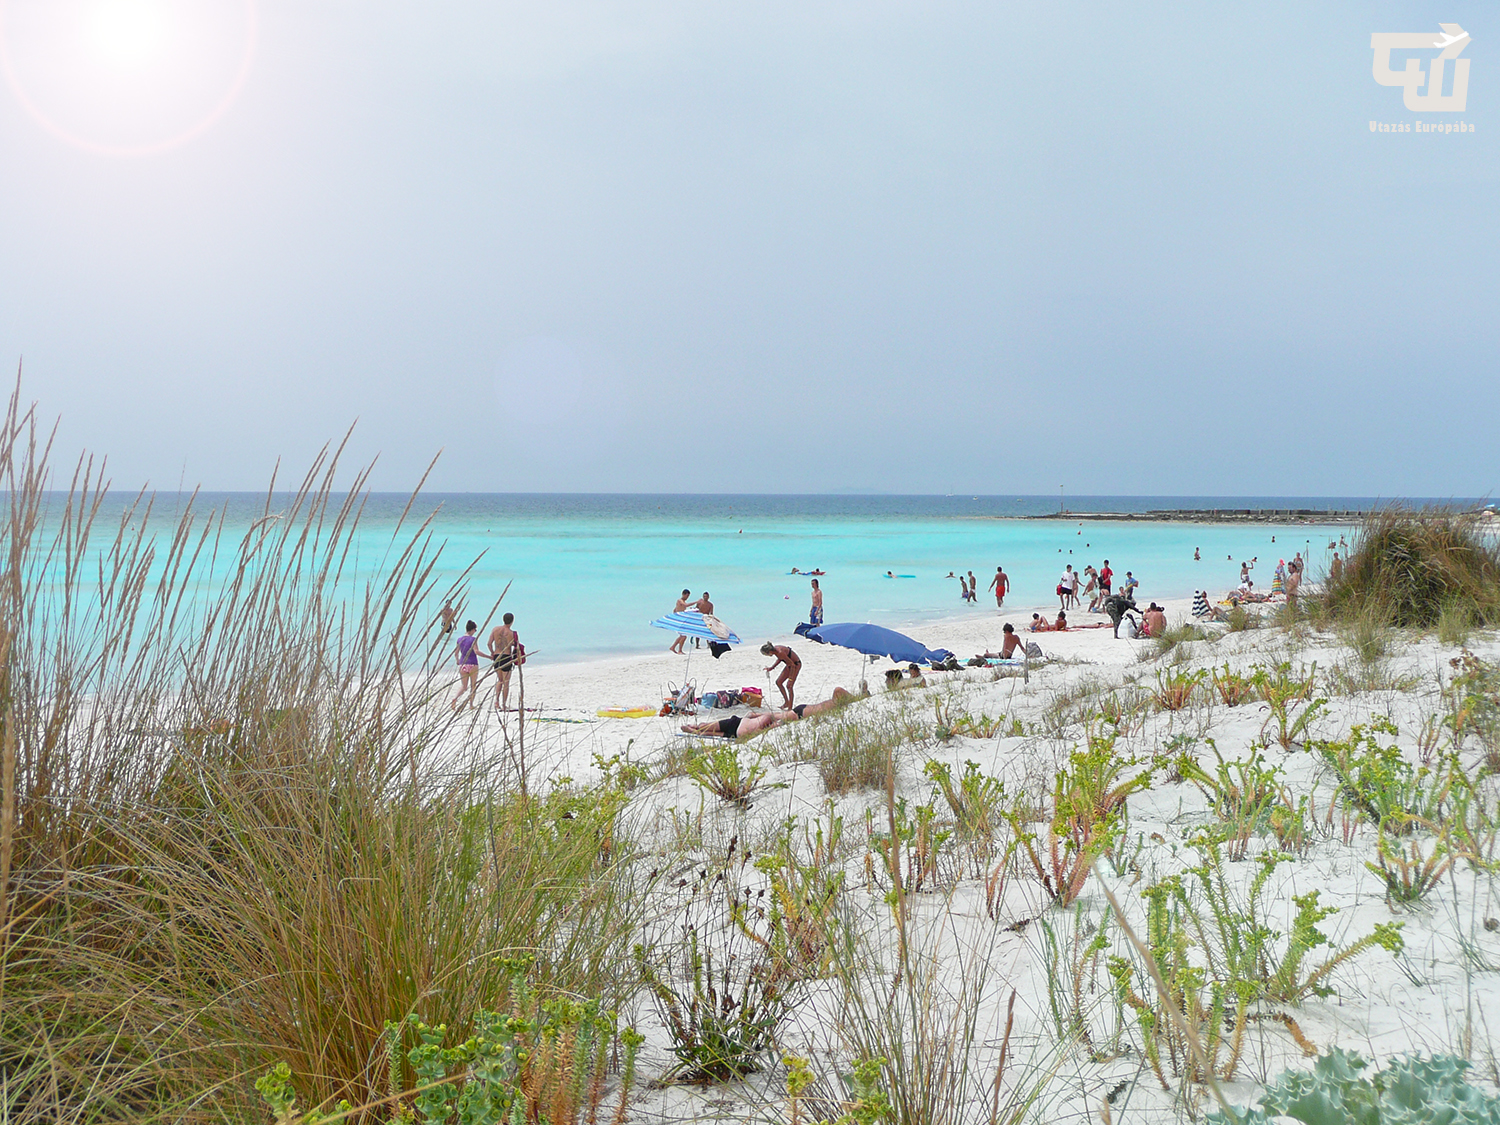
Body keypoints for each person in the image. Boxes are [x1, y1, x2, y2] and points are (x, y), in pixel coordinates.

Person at [487, 612, 520, 710]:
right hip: (506, 657)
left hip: (497, 656)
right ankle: (504, 704)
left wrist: (492, 652)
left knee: (500, 680)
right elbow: (517, 647)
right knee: (506, 682)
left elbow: (489, 643)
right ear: (512, 621)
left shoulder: (495, 629)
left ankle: (496, 701)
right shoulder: (512, 633)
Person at [681, 710, 795, 738]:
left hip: (737, 733)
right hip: (736, 723)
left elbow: (759, 732)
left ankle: (694, 731)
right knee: (705, 727)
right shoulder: (772, 716)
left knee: (712, 733)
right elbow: (751, 714)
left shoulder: (775, 724)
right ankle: (696, 727)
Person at [450, 620, 480, 711]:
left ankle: (455, 698)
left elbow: (456, 653)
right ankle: (471, 704)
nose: (475, 632)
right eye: (475, 630)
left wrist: (458, 660)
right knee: (473, 686)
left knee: (464, 686)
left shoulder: (460, 639)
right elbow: (476, 651)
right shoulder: (473, 639)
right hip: (473, 663)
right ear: (472, 629)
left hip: (463, 664)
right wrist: (488, 656)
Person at [761, 641, 802, 709]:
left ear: (769, 651)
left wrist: (790, 678)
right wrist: (772, 667)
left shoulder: (780, 652)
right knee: (778, 682)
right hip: (789, 665)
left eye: (766, 654)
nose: (767, 656)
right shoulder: (776, 651)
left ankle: (790, 708)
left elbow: (792, 665)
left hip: (796, 665)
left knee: (789, 686)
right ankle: (786, 702)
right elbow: (780, 659)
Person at [670, 589, 691, 654]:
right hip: (680, 621)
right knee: (684, 636)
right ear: (683, 594)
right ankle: (677, 649)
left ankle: (674, 648)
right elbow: (686, 605)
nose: (687, 597)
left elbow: (675, 610)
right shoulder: (680, 601)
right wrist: (696, 602)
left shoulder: (681, 602)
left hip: (681, 620)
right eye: (687, 596)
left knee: (683, 636)